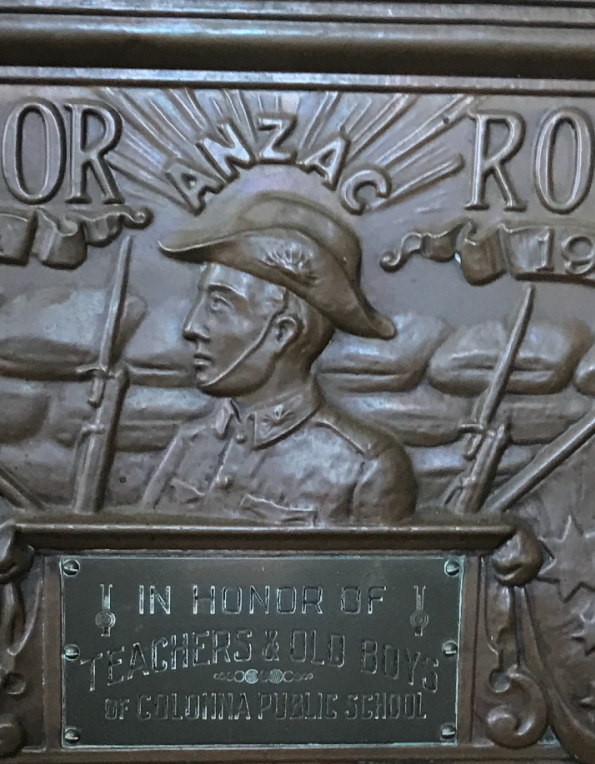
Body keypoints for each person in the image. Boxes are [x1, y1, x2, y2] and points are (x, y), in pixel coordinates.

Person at [141, 193, 415, 525]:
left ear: (282, 332)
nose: (191, 327)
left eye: (218, 306)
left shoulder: (365, 467)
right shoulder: (189, 442)